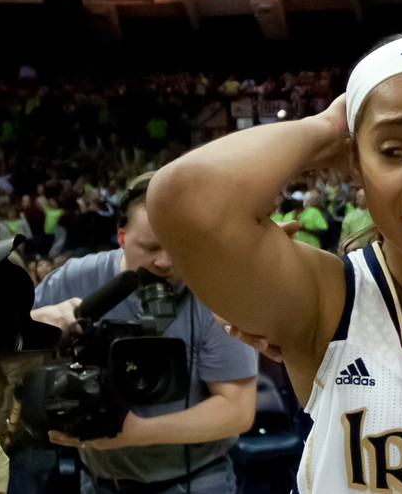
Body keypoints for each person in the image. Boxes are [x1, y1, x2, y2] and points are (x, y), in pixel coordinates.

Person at [146, 33, 402, 493]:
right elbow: (184, 198)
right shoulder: (327, 297)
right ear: (355, 163)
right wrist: (328, 128)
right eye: (392, 151)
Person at [29, 171, 258, 494]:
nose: (164, 261)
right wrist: (39, 321)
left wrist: (135, 432)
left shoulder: (214, 289)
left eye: (178, 247)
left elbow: (237, 411)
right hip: (98, 482)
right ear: (121, 236)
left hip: (195, 482)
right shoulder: (75, 278)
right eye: (150, 247)